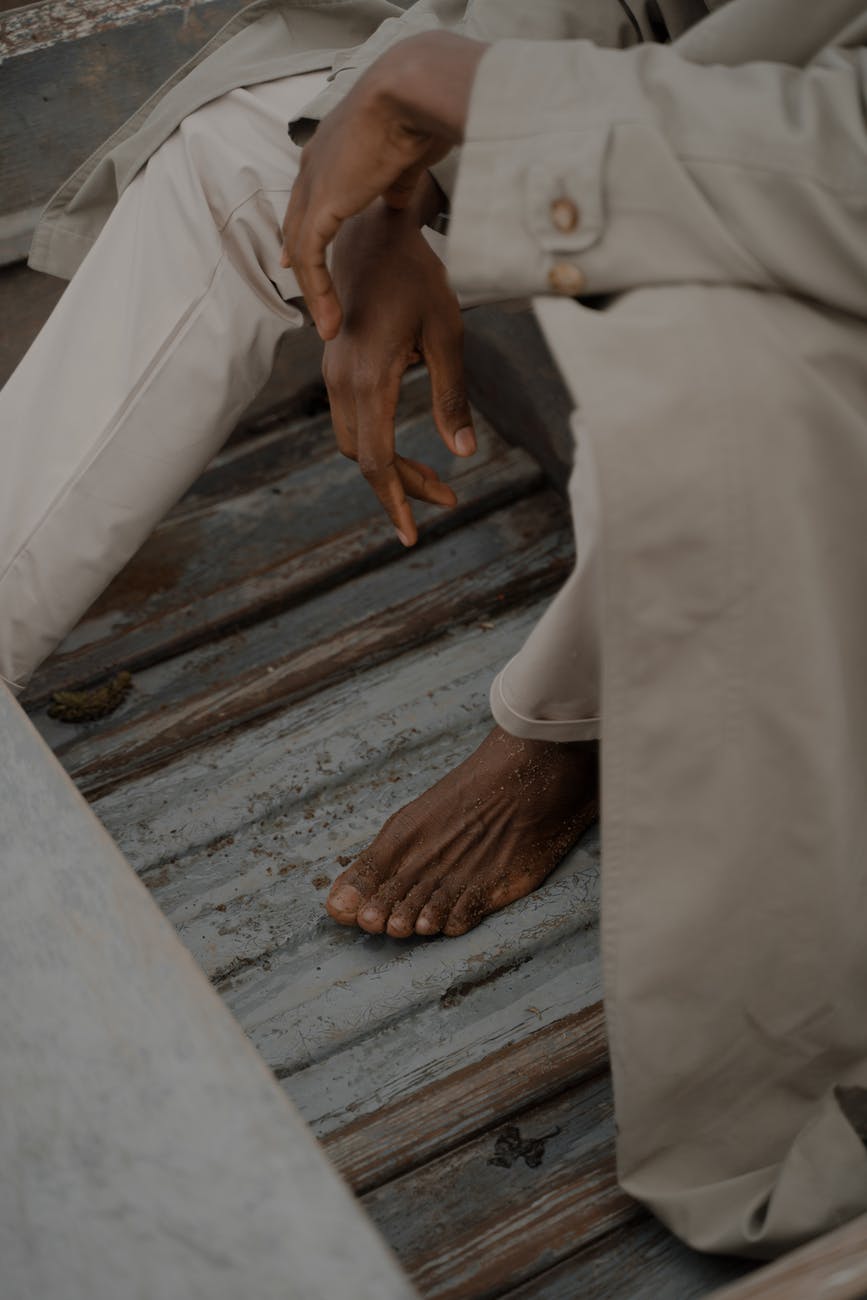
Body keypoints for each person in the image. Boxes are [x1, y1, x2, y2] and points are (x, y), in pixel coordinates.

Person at [1, 0, 866, 1261]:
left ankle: (570, 738)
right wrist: (400, 183)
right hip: (737, 103)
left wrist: (485, 108)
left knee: (715, 371)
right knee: (261, 157)